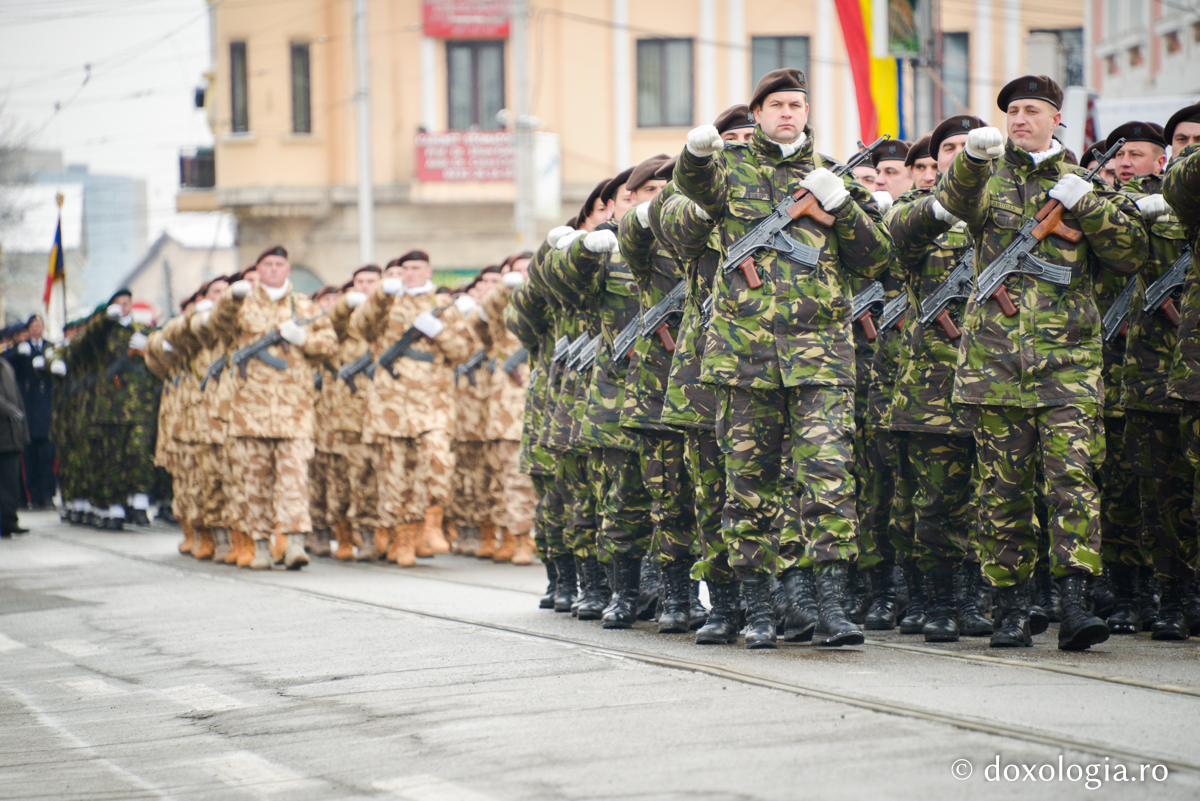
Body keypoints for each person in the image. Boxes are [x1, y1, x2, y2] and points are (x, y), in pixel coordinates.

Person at [674, 67, 893, 648]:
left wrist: (841, 205)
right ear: (759, 114)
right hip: (743, 359)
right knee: (748, 485)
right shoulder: (731, 171)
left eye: (795, 104)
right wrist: (697, 153)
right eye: (775, 105)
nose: (787, 113)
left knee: (827, 477)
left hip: (820, 358)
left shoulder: (830, 180)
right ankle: (759, 608)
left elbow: (877, 260)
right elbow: (693, 188)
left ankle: (832, 608)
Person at [935, 75, 1146, 650]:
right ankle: (1009, 606)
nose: (1020, 119)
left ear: (1057, 119)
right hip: (994, 367)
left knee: (1073, 484)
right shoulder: (987, 177)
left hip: (1068, 367)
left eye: (1032, 110)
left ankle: (1075, 604)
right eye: (1013, 111)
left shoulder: (1083, 184)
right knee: (1001, 492)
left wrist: (1091, 209)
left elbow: (1130, 256)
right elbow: (951, 204)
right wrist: (973, 160)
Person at [206, 246, 338, 569]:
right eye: (268, 264)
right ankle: (262, 546)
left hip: (294, 412)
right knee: (255, 483)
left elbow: (330, 346)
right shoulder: (242, 306)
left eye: (280, 264)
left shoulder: (304, 306)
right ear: (259, 269)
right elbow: (216, 326)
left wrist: (304, 338)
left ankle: (294, 544)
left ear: (288, 268)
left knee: (294, 480)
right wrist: (230, 298)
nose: (275, 269)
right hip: (250, 412)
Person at [4, 315, 55, 510]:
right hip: (27, 405)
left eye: (39, 325)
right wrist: (17, 352)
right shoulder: (19, 350)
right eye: (32, 326)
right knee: (29, 456)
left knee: (47, 456)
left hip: (45, 406)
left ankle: (47, 495)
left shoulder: (50, 347)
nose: (35, 329)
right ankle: (32, 495)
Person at [0, 353, 30, 536]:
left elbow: (17, 398)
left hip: (10, 435)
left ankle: (10, 520)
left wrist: (22, 432)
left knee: (11, 482)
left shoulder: (6, 366)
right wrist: (10, 410)